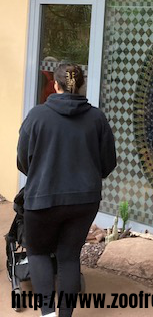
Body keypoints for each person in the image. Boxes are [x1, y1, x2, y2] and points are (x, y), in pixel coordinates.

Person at [17, 63, 117, 317]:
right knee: (69, 257)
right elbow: (108, 162)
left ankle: (48, 313)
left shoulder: (37, 116)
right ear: (81, 86)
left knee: (38, 253)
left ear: (56, 85)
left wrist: (41, 174)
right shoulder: (97, 118)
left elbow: (22, 160)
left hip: (42, 199)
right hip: (84, 200)